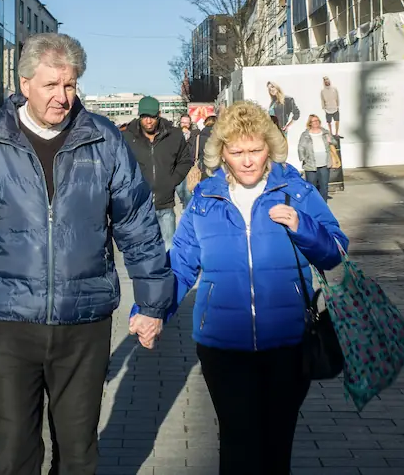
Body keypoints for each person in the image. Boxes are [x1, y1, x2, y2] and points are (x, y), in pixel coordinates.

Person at [0, 33, 172, 475]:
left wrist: (152, 304)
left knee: (78, 453)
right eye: (51, 85)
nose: (62, 97)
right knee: (13, 451)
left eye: (70, 85)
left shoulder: (102, 140)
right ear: (25, 84)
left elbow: (138, 225)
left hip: (83, 321)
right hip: (8, 321)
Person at [143, 100, 347, 474]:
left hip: (288, 343)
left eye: (255, 150)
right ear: (222, 153)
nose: (248, 161)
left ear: (269, 147)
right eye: (237, 152)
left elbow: (335, 251)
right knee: (237, 445)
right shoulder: (205, 199)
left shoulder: (296, 191)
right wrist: (151, 311)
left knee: (276, 446)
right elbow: (181, 265)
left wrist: (302, 226)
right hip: (223, 346)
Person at [122, 98, 192, 249]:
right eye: (144, 117)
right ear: (139, 115)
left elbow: (185, 160)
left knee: (168, 249)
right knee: (142, 251)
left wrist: (172, 181)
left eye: (152, 117)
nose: (148, 121)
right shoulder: (127, 137)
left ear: (159, 114)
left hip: (165, 205)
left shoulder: (174, 135)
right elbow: (120, 165)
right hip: (139, 207)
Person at [298, 114, 336, 201]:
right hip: (310, 164)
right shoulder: (305, 135)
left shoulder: (325, 132)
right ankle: (313, 204)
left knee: (324, 186)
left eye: (317, 120)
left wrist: (330, 140)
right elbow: (301, 147)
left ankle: (323, 204)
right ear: (310, 123)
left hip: (324, 163)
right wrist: (303, 159)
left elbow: (335, 142)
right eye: (314, 121)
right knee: (312, 186)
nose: (316, 122)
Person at [176, 113, 198, 208]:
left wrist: (189, 139)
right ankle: (183, 201)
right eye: (183, 122)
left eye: (187, 123)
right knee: (179, 189)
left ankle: (187, 208)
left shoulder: (194, 135)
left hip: (190, 165)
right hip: (177, 166)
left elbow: (193, 149)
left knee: (187, 189)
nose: (185, 125)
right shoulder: (175, 134)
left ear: (190, 124)